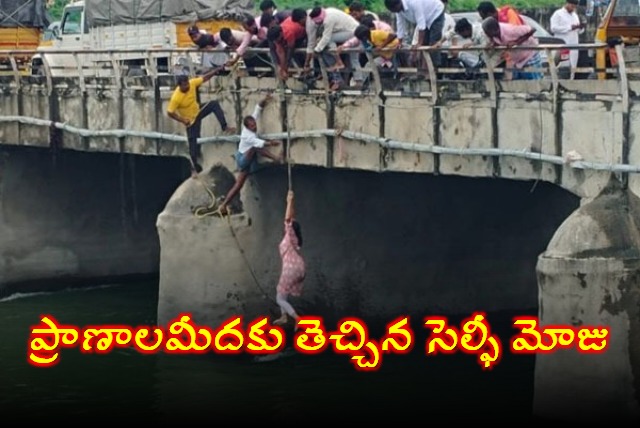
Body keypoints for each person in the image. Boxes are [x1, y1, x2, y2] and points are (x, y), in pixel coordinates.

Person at [217, 93, 282, 215]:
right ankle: (276, 158)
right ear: (247, 127)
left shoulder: (251, 122)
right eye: (252, 127)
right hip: (243, 159)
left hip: (249, 159)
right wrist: (272, 143)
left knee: (238, 185)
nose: (254, 128)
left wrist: (265, 100)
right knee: (254, 148)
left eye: (255, 125)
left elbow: (258, 109)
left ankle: (224, 205)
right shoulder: (247, 135)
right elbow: (259, 143)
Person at [167, 68, 235, 177]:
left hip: (198, 111)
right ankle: (193, 168)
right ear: (179, 86)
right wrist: (182, 119)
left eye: (187, 84)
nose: (187, 87)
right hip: (190, 120)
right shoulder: (176, 97)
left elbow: (205, 77)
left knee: (214, 104)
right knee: (193, 143)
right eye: (184, 86)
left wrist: (217, 70)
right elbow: (170, 112)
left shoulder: (192, 83)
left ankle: (224, 126)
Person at [303, 6, 362, 90]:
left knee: (328, 39)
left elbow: (327, 37)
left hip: (352, 32)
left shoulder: (328, 20)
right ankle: (359, 81)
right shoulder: (328, 12)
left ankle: (338, 62)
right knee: (354, 58)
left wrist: (316, 50)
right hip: (354, 31)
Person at [384, 0, 445, 76]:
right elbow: (400, 24)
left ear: (397, 5)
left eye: (393, 10)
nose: (394, 12)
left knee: (433, 43)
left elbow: (421, 23)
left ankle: (434, 70)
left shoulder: (413, 3)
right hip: (426, 18)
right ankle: (424, 70)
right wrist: (400, 42)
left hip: (435, 13)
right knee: (424, 45)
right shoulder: (398, 11)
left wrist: (419, 43)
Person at [273, 190, 305, 326]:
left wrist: (289, 201)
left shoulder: (290, 235)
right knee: (282, 292)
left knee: (279, 298)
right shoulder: (294, 238)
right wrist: (292, 203)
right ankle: (284, 316)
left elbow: (288, 219)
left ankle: (297, 318)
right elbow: (292, 218)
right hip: (299, 268)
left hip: (291, 269)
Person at [267, 10, 308, 82]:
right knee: (283, 52)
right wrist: (281, 69)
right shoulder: (276, 37)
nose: (276, 41)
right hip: (291, 29)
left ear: (281, 34)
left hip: (303, 33)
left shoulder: (289, 32)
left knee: (295, 52)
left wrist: (286, 68)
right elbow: (280, 53)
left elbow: (290, 50)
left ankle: (305, 71)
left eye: (277, 40)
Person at [550, 0, 584, 79]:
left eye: (574, 7)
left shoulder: (575, 15)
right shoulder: (558, 14)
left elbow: (578, 31)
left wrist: (580, 27)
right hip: (562, 46)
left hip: (574, 46)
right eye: (572, 6)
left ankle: (571, 85)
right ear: (567, 3)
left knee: (573, 68)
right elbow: (553, 28)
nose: (573, 8)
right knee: (562, 68)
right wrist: (569, 28)